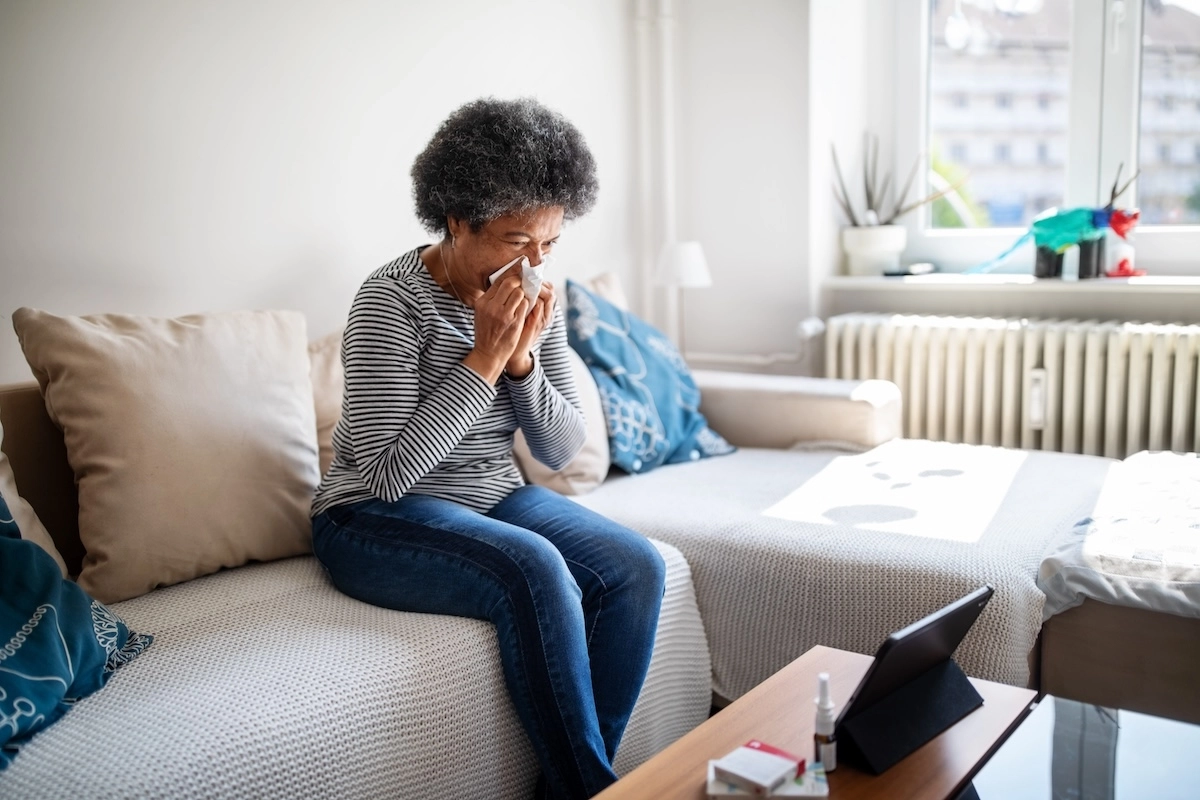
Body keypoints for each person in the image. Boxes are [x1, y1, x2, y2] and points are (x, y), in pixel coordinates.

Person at [310, 97, 666, 800]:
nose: (533, 265)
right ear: (455, 220)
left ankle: (574, 784)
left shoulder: (538, 299)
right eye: (514, 241)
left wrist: (523, 363)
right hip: (370, 518)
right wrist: (483, 359)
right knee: (535, 567)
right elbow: (386, 475)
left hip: (492, 494)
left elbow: (563, 450)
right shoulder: (389, 301)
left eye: (549, 244)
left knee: (635, 566)